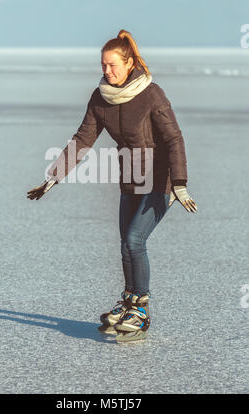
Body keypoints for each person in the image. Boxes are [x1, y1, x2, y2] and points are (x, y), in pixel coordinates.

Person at [27, 29, 197, 344]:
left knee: (135, 240)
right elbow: (82, 139)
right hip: (130, 178)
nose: (107, 71)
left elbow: (174, 138)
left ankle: (142, 310)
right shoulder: (101, 97)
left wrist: (181, 183)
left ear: (129, 62)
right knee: (125, 244)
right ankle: (129, 301)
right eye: (103, 65)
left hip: (161, 180)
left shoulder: (151, 93)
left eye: (112, 65)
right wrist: (53, 177)